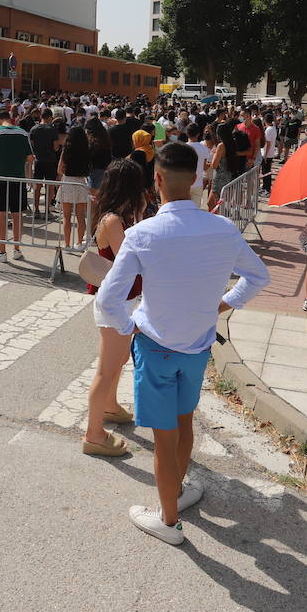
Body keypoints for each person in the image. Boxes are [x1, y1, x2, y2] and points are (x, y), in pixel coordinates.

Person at [97, 142, 270, 545]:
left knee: (163, 435)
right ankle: (176, 490)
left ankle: (169, 520)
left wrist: (129, 327)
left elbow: (109, 297)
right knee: (185, 419)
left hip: (155, 343)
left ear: (156, 180)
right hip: (197, 344)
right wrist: (223, 304)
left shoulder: (142, 233)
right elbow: (257, 277)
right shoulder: (223, 228)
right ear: (196, 178)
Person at [81, 159, 146, 457]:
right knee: (106, 369)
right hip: (114, 303)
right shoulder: (113, 221)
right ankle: (93, 434)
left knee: (117, 361)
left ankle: (109, 406)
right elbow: (129, 259)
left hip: (124, 300)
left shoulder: (118, 216)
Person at [0, 107, 33, 263]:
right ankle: (17, 250)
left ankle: (2, 252)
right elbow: (31, 158)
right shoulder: (23, 133)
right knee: (17, 215)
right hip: (18, 178)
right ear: (10, 118)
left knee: (0, 214)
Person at [56, 125, 90, 251]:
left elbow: (59, 169)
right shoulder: (86, 149)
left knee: (66, 217)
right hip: (81, 182)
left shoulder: (67, 149)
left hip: (68, 182)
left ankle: (67, 244)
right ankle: (80, 243)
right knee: (81, 216)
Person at [28, 109, 61, 220]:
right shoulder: (52, 129)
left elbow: (31, 145)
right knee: (49, 187)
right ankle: (47, 211)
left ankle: (36, 210)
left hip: (38, 160)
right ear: (49, 117)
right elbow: (56, 147)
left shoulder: (33, 129)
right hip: (50, 160)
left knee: (37, 186)